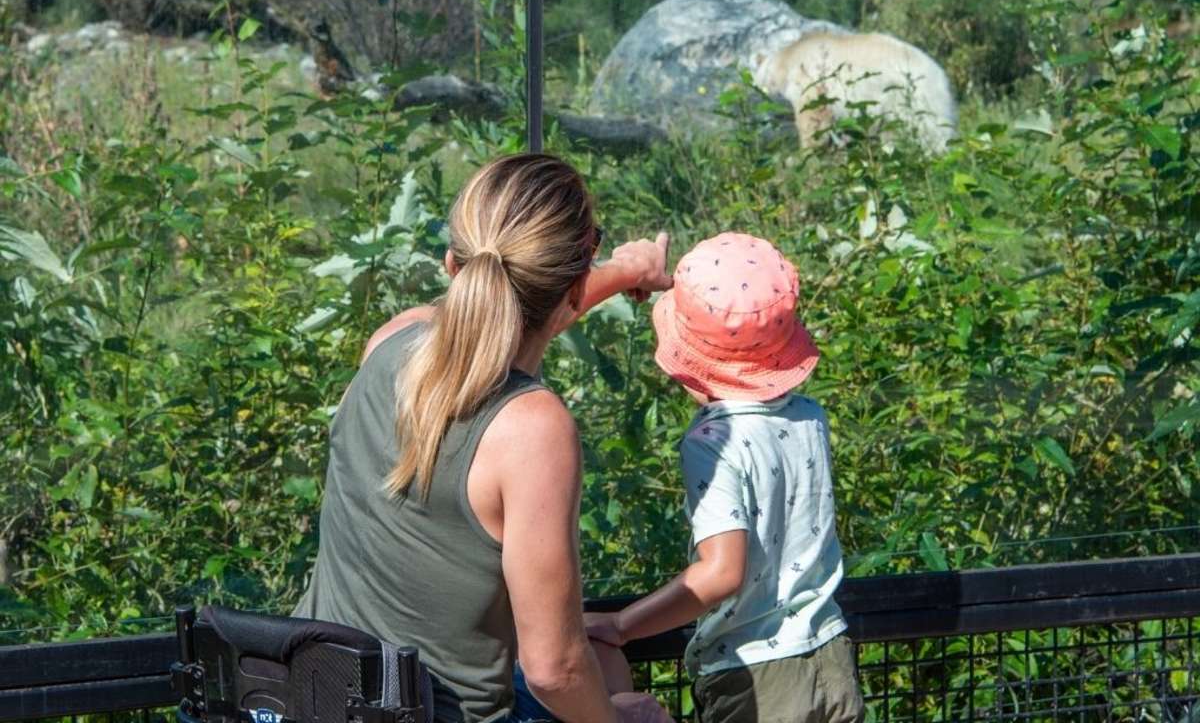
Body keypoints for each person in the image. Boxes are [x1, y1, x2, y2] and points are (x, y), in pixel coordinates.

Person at [294, 153, 674, 723]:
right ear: (572, 285)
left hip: (311, 697)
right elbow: (555, 670)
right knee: (635, 706)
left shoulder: (390, 342)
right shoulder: (532, 430)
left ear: (452, 264)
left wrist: (622, 270)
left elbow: (490, 320)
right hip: (437, 715)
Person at [584, 232, 865, 723]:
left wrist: (621, 626)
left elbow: (722, 572)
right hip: (832, 655)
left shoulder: (712, 441)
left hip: (755, 676)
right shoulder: (809, 417)